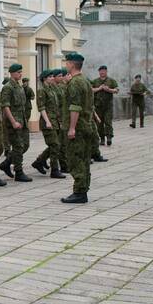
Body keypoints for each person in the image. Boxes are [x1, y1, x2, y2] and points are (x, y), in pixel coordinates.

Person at [62, 53, 94, 204]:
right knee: (84, 159)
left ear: (71, 65)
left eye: (66, 62)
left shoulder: (75, 83)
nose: (65, 65)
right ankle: (83, 189)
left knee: (75, 159)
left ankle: (79, 191)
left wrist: (71, 128)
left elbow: (75, 106)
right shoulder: (85, 81)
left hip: (78, 127)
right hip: (86, 125)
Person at [0, 63, 32, 183]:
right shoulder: (8, 87)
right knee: (18, 146)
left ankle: (6, 163)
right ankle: (19, 172)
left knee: (25, 145)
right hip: (14, 122)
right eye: (18, 72)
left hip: (22, 120)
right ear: (12, 73)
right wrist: (13, 122)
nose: (20, 74)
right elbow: (5, 106)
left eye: (21, 72)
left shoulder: (19, 86)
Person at [31, 70, 65, 179]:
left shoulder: (52, 89)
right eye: (50, 77)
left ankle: (39, 161)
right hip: (48, 121)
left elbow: (56, 106)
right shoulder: (42, 91)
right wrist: (47, 121)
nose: (52, 78)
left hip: (55, 121)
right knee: (55, 145)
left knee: (55, 144)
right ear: (45, 79)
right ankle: (54, 170)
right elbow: (42, 108)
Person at [91, 66, 119, 146]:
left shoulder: (111, 81)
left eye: (103, 71)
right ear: (99, 72)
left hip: (108, 106)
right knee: (99, 123)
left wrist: (109, 90)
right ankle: (102, 138)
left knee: (108, 122)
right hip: (98, 106)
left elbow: (116, 90)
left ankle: (109, 137)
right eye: (100, 71)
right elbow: (90, 90)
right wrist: (99, 89)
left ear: (106, 71)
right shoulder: (95, 81)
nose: (102, 72)